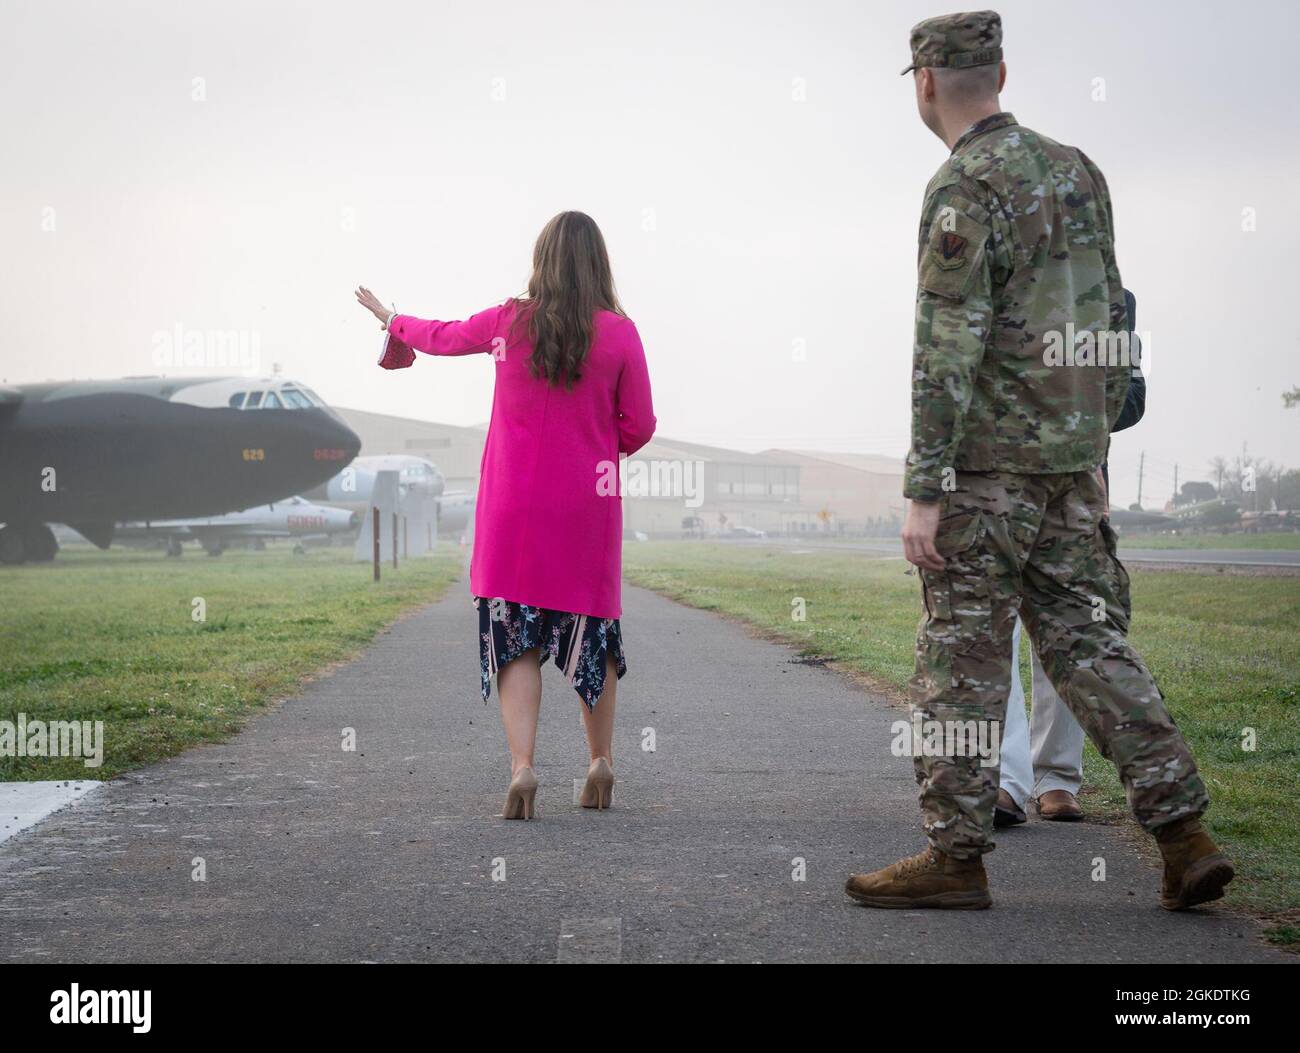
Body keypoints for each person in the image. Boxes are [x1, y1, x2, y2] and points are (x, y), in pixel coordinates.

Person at [845, 12, 1232, 911]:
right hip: (1070, 472)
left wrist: (925, 488)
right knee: (1091, 646)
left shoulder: (960, 187)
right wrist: (1095, 444)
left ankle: (955, 857)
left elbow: (946, 348)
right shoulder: (1078, 170)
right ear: (1003, 74)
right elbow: (1111, 317)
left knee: (961, 663)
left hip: (986, 477)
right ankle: (1185, 835)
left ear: (926, 82)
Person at [354, 211, 656, 820]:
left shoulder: (507, 322)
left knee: (516, 642)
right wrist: (596, 439)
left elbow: (439, 335)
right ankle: (600, 760)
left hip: (512, 509)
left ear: (541, 260)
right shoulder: (620, 333)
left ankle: (523, 768)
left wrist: (392, 319)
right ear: (599, 263)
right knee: (591, 632)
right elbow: (640, 425)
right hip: (586, 509)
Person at [996, 291, 1146, 827]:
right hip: (998, 490)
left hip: (1075, 491)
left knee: (1065, 633)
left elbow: (1131, 397)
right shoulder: (994, 286)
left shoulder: (1112, 298)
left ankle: (1056, 778)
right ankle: (1005, 781)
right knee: (997, 631)